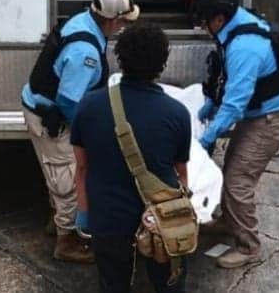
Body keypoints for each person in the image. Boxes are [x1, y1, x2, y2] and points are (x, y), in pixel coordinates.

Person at [21, 0, 139, 263]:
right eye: (122, 22)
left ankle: (59, 220)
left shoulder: (85, 20)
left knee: (59, 172)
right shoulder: (84, 52)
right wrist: (87, 134)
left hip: (44, 108)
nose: (123, 27)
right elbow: (68, 100)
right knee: (69, 179)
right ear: (111, 20)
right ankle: (67, 241)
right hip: (52, 118)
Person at [71, 24, 192, 293]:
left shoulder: (89, 106)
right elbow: (181, 174)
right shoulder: (177, 113)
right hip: (161, 218)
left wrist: (84, 213)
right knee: (168, 283)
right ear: (162, 63)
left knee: (113, 283)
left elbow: (82, 168)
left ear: (119, 58)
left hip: (108, 218)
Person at [194, 0, 279, 269]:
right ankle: (228, 221)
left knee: (238, 183)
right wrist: (212, 103)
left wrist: (207, 139)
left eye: (205, 22)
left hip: (267, 121)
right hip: (256, 115)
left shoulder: (245, 48)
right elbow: (228, 81)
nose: (203, 28)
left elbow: (235, 105)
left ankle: (249, 246)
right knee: (231, 170)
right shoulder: (236, 24)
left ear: (219, 18)